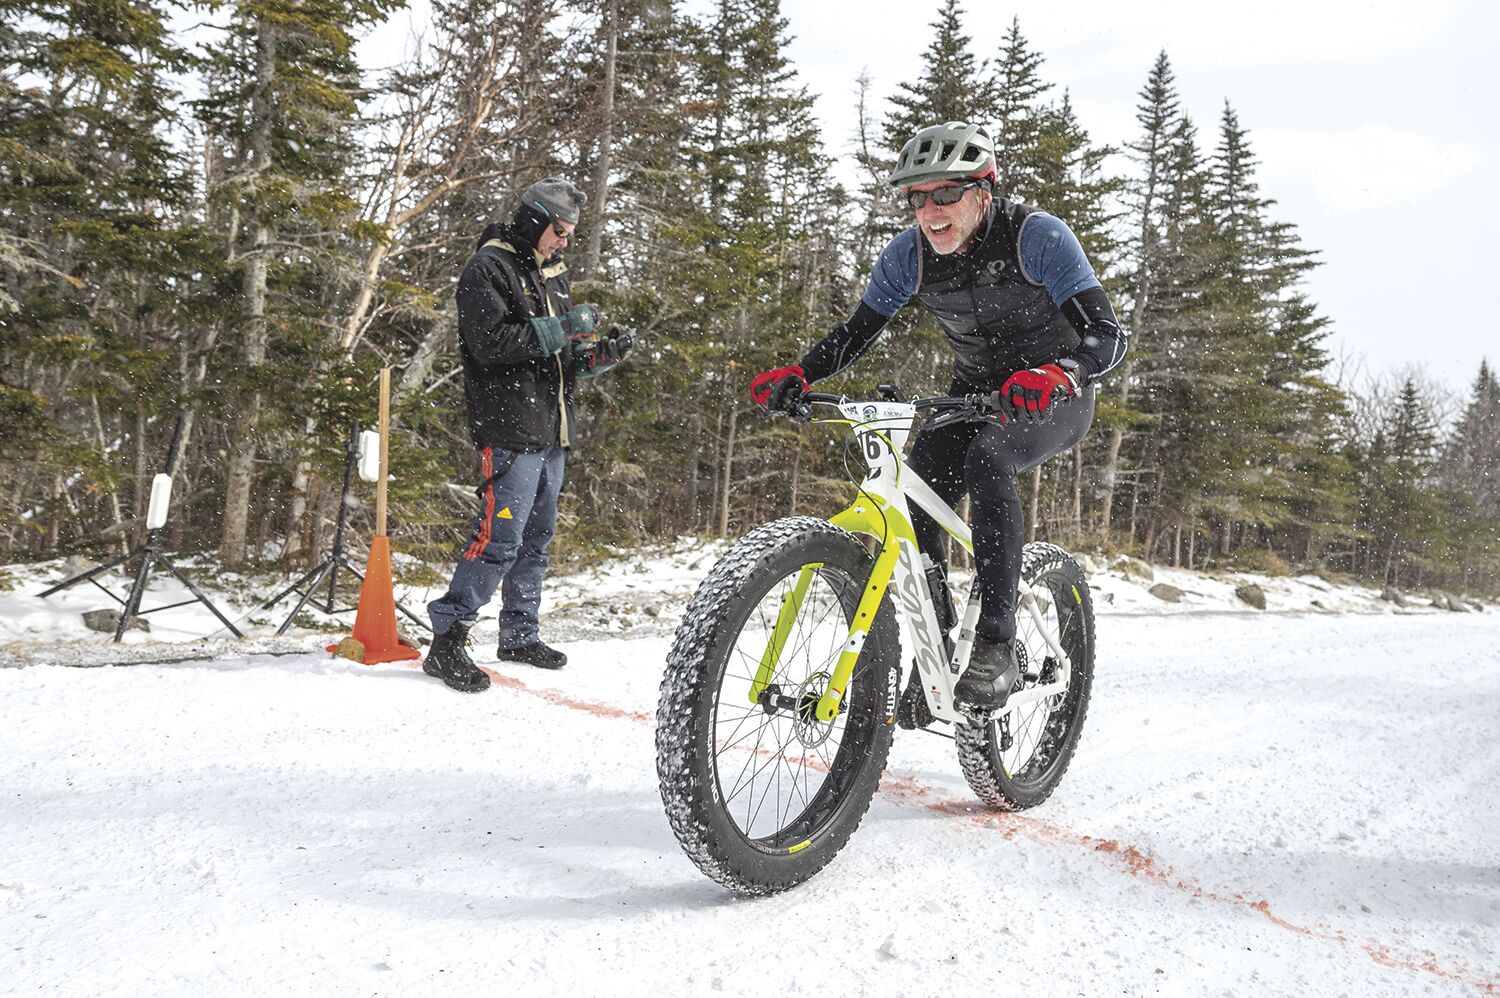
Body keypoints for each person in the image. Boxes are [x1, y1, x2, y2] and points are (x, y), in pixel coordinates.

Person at [749, 121, 1126, 723]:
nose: (930, 210)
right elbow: (856, 333)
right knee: (916, 486)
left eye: (946, 194)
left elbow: (1108, 335)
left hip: (1052, 393)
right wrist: (803, 372)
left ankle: (997, 644)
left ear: (984, 191)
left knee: (989, 459)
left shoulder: (1038, 238)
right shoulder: (907, 256)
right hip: (972, 392)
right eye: (917, 198)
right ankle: (939, 652)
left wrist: (1063, 373)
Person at [424, 176, 634, 693]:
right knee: (499, 536)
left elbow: (559, 356)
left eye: (568, 234)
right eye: (559, 231)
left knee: (536, 540)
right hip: (510, 426)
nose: (563, 242)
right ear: (536, 220)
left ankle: (519, 633)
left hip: (552, 428)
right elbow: (490, 343)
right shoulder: (488, 268)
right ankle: (447, 639)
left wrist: (600, 354)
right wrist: (561, 331)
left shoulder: (553, 275)